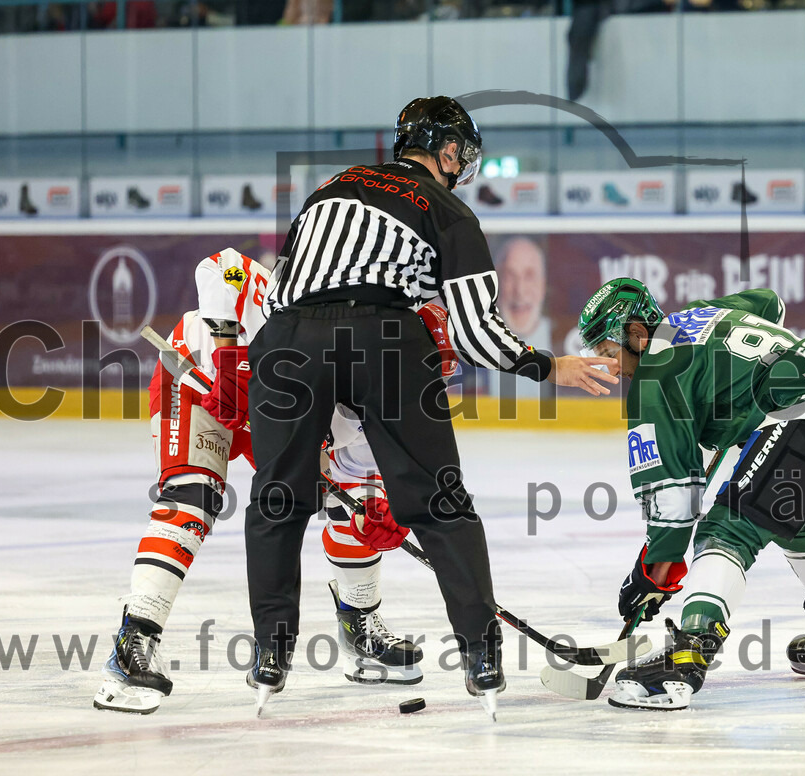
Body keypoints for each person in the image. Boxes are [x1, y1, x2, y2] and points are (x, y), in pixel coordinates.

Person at [244, 95, 618, 716]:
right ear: (447, 152)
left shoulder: (327, 191)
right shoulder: (448, 209)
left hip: (286, 342)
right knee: (441, 505)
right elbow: (474, 332)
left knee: (277, 501)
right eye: (463, 153)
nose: (464, 165)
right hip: (385, 340)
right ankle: (481, 656)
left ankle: (270, 653)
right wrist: (552, 366)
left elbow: (281, 292)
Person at [93, 248, 427, 714]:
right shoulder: (276, 293)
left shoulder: (375, 392)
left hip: (278, 419)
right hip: (200, 381)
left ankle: (359, 624)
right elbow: (216, 264)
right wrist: (227, 352)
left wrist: (380, 513)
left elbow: (361, 481)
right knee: (192, 498)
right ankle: (134, 644)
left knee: (354, 504)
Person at [576, 278, 805, 711]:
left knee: (727, 529)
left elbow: (673, 502)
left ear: (636, 335)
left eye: (608, 353)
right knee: (796, 520)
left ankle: (686, 656)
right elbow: (771, 305)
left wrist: (654, 571)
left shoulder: (655, 378)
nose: (611, 369)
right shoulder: (700, 313)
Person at [488, 236, 552, 401]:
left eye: (529, 276)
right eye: (509, 276)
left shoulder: (565, 345)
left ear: (543, 285)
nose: (520, 291)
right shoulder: (469, 348)